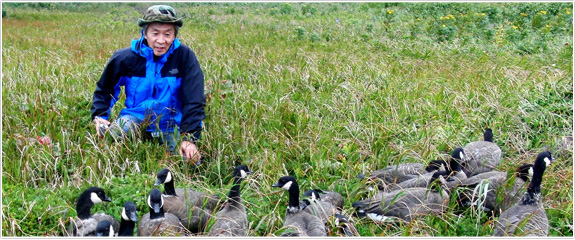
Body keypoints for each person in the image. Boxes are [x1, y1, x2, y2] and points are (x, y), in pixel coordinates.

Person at [91, 5, 205, 165]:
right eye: (155, 33)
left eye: (167, 34)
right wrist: (100, 116)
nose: (161, 40)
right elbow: (105, 89)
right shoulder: (125, 58)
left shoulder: (184, 57)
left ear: (174, 35)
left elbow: (194, 98)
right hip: (135, 116)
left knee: (189, 162)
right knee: (117, 133)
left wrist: (189, 138)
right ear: (144, 33)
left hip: (170, 124)